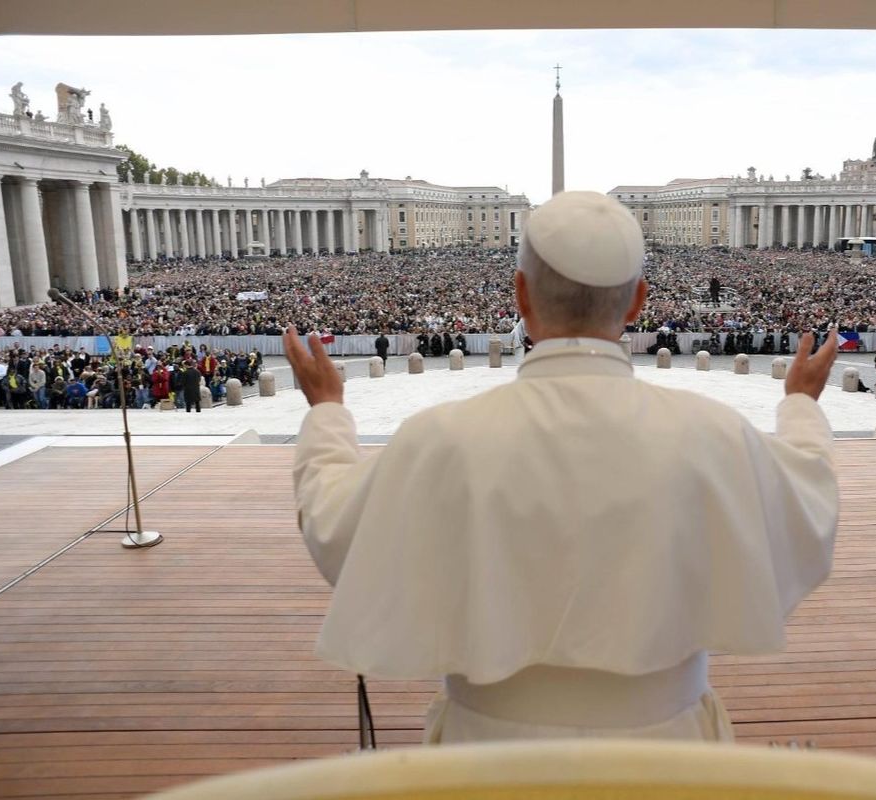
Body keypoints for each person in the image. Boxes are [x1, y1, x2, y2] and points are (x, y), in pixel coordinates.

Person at [286, 191, 840, 743]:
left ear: (520, 295)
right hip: (669, 752)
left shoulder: (439, 437)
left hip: (487, 755)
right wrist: (800, 405)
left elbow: (333, 528)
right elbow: (809, 503)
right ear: (637, 302)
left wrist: (329, 414)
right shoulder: (716, 433)